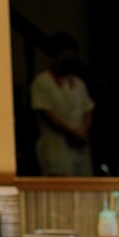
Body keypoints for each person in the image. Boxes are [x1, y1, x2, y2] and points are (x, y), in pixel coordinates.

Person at [30, 32, 95, 176]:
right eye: (65, 55)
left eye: (71, 56)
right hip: (57, 148)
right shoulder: (42, 82)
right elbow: (46, 112)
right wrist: (73, 133)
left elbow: (88, 110)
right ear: (54, 56)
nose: (69, 59)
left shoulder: (78, 83)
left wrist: (83, 131)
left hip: (80, 148)